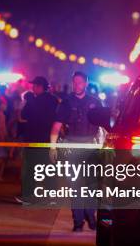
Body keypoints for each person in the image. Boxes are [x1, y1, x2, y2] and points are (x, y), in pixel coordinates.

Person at [50, 71, 102, 231]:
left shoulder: (95, 101)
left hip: (92, 147)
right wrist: (52, 147)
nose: (77, 85)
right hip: (73, 146)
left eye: (80, 82)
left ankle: (91, 216)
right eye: (74, 82)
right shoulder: (66, 102)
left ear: (86, 83)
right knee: (76, 186)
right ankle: (78, 221)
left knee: (92, 185)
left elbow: (103, 126)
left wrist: (104, 145)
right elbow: (56, 126)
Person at [16, 76, 59, 204]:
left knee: (31, 169)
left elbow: (24, 115)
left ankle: (29, 196)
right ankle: (50, 197)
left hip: (37, 138)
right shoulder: (53, 100)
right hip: (45, 139)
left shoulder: (35, 100)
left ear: (41, 87)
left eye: (35, 85)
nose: (33, 87)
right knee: (47, 168)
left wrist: (29, 100)